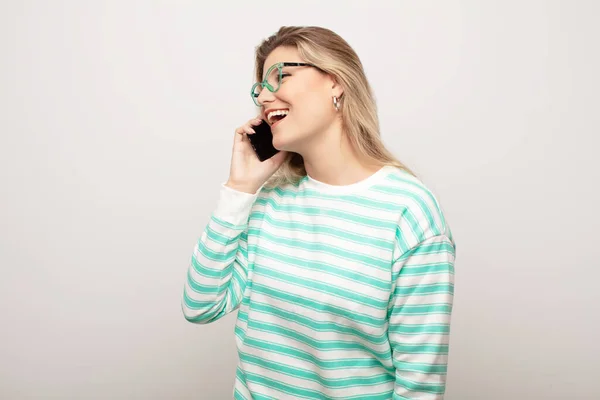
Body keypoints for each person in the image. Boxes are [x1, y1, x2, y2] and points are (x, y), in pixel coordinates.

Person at [181, 25, 456, 400]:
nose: (264, 95)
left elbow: (419, 389)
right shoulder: (268, 201)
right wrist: (240, 188)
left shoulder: (409, 212)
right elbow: (201, 304)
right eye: (259, 87)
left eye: (281, 75)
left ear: (336, 82)